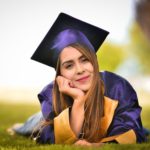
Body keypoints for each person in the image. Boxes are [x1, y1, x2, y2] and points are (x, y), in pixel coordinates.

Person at [8, 13, 146, 146]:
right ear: (60, 73)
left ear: (94, 61)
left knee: (142, 130)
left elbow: (130, 132)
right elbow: (55, 138)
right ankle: (19, 127)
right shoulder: (51, 93)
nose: (80, 70)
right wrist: (79, 101)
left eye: (85, 60)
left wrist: (97, 145)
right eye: (69, 65)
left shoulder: (118, 87)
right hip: (38, 120)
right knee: (31, 125)